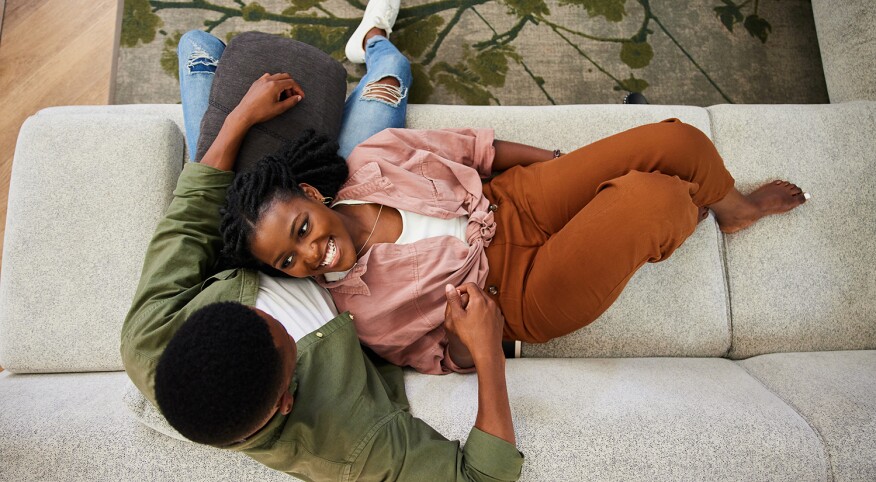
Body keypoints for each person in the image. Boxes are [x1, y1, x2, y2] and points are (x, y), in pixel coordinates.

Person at [121, 1, 524, 480]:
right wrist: (488, 358)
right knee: (390, 76)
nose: (271, 306)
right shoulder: (346, 445)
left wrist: (240, 119)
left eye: (250, 309)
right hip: (350, 253)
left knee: (198, 46)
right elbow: (482, 477)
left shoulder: (148, 338)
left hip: (264, 222)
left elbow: (191, 220)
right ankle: (372, 39)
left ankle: (257, 105)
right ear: (287, 397)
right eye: (277, 328)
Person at [220, 98, 809, 376]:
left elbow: (482, 152)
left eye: (301, 228)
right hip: (518, 294)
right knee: (658, 199)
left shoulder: (374, 158)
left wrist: (566, 163)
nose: (309, 252)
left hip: (513, 199)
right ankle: (678, 211)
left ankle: (734, 209)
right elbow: (439, 359)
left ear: (313, 195)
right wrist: (459, 337)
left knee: (676, 141)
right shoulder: (363, 315)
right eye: (289, 260)